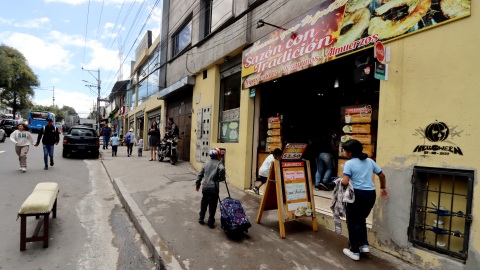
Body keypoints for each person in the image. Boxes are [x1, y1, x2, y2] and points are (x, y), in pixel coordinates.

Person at [340, 139, 389, 261]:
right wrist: (383, 187)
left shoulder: (349, 163)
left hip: (357, 195)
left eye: (345, 151)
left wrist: (338, 181)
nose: (344, 153)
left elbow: (345, 182)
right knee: (361, 219)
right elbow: (382, 175)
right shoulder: (370, 161)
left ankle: (354, 251)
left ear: (350, 152)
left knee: (352, 222)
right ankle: (364, 245)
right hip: (370, 195)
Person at [195, 148, 226, 229]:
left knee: (204, 202)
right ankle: (210, 222)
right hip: (214, 189)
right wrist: (221, 178)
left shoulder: (206, 163)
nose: (221, 157)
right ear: (218, 156)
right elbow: (222, 169)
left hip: (205, 187)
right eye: (220, 156)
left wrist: (197, 184)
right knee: (213, 204)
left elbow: (200, 174)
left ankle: (201, 217)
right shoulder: (219, 163)